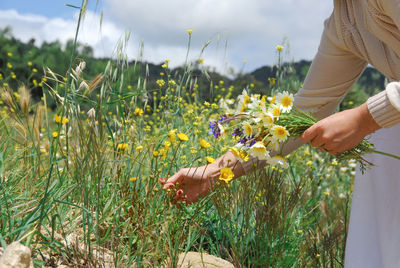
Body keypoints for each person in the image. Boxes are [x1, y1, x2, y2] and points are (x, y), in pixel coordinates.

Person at [164, 0, 400, 267]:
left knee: (383, 133)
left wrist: (364, 119)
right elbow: (304, 114)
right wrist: (216, 171)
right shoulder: (344, 22)